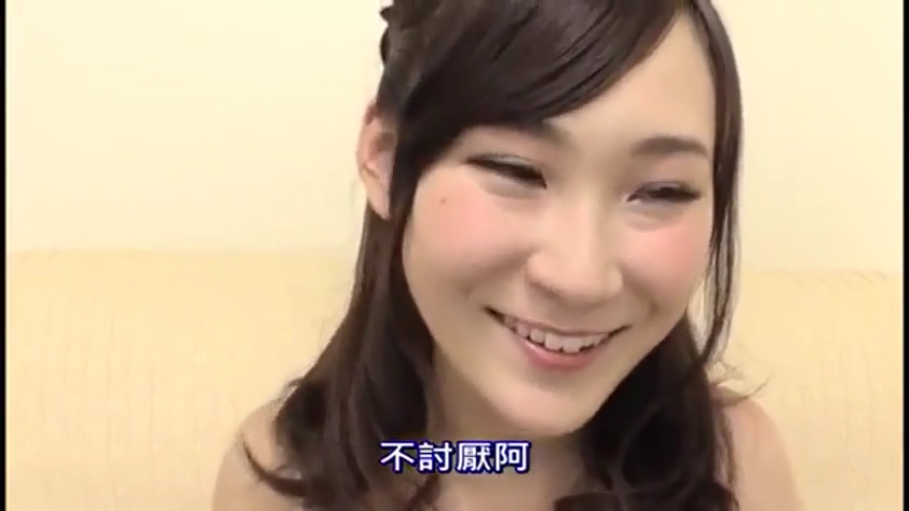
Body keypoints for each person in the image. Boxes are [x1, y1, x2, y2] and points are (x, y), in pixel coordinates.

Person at [213, 0, 803, 509]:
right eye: (516, 171)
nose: (580, 278)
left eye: (661, 191)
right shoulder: (282, 478)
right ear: (386, 157)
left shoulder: (736, 466)